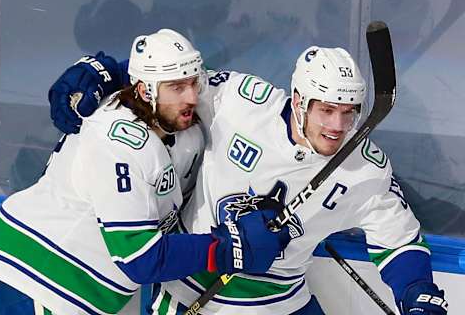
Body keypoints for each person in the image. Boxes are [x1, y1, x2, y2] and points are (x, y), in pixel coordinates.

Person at [46, 42, 448, 314]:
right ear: (299, 101)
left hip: (282, 302)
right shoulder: (238, 102)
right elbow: (170, 82)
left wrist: (416, 293)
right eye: (326, 111)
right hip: (193, 291)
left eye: (348, 112)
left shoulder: (366, 170)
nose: (338, 126)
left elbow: (399, 240)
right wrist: (107, 71)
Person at [0, 29, 291, 315]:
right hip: (38, 273)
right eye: (177, 87)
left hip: (77, 288)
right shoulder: (118, 143)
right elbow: (140, 258)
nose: (192, 97)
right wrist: (228, 247)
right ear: (145, 91)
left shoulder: (181, 125)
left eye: (192, 83)